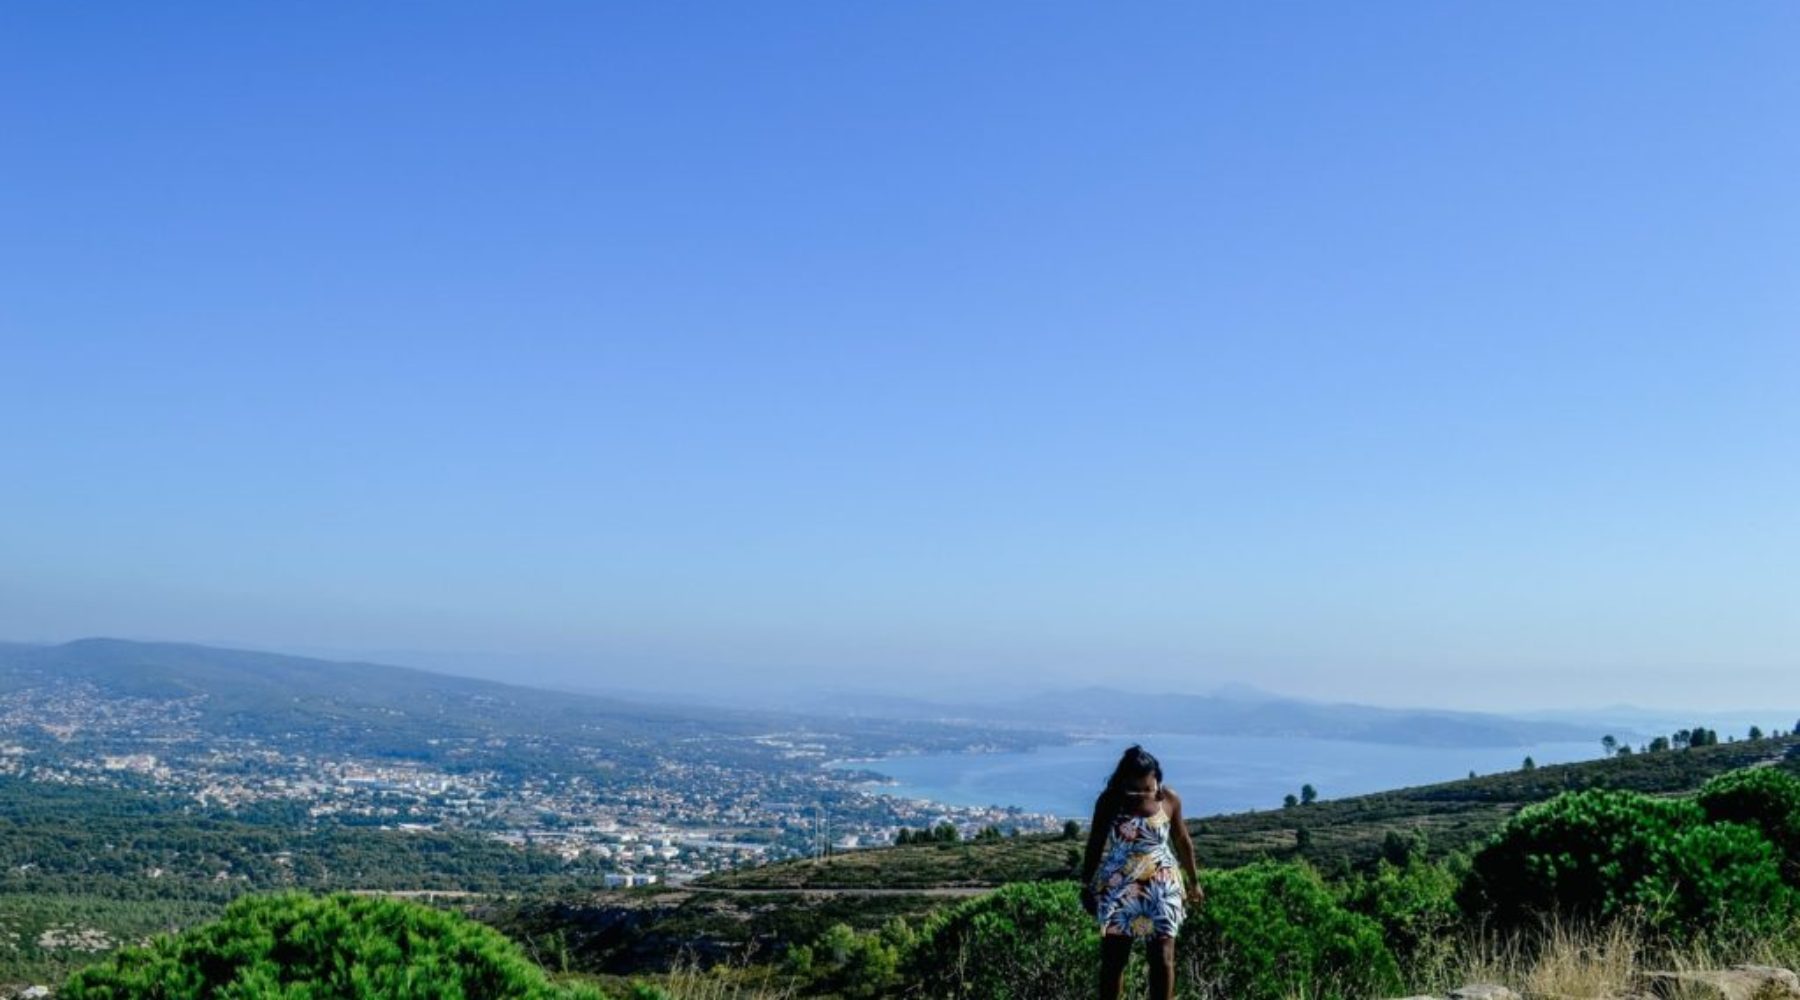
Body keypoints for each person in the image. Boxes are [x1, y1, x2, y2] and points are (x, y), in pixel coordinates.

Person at [1078, 744, 1204, 1000]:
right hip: (1119, 887)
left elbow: (1182, 841)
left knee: (1162, 958)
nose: (1142, 794)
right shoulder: (1110, 801)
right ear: (1123, 781)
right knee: (1114, 961)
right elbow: (1096, 843)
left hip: (1162, 887)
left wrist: (1194, 882)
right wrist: (1086, 884)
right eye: (1135, 788)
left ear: (1157, 779)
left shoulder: (1169, 799)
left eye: (1148, 787)